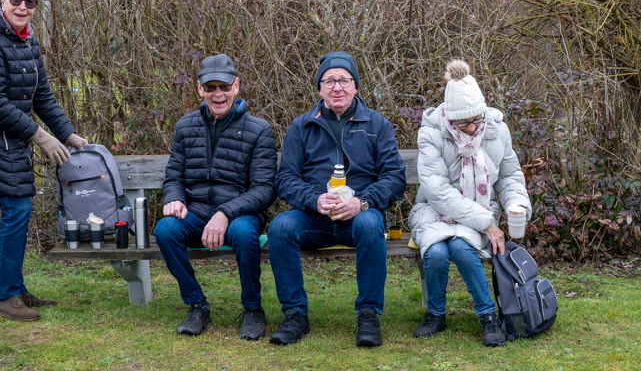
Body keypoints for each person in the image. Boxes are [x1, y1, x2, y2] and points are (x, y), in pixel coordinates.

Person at [0, 0, 87, 321]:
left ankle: (14, 289)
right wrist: (41, 136)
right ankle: (4, 297)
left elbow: (42, 95)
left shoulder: (27, 40)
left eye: (30, 2)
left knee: (19, 211)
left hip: (10, 139)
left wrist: (68, 134)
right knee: (16, 210)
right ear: (3, 0)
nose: (22, 7)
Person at [267, 51, 408, 347]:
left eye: (344, 80)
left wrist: (362, 202)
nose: (337, 87)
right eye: (329, 81)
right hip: (314, 219)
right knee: (280, 227)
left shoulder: (377, 125)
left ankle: (368, 314)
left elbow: (394, 177)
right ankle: (294, 315)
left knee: (370, 224)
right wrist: (314, 199)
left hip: (359, 216)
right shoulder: (302, 126)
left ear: (355, 85)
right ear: (320, 88)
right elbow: (285, 178)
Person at [408, 59, 531, 347]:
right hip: (435, 211)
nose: (473, 127)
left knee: (461, 247)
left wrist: (518, 206)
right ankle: (436, 313)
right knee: (437, 252)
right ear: (450, 119)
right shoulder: (431, 133)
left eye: (477, 119)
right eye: (464, 123)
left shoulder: (496, 130)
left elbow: (509, 176)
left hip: (481, 208)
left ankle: (488, 316)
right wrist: (487, 223)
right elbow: (437, 191)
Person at [154, 54, 277, 340]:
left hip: (240, 213)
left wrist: (225, 213)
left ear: (236, 86)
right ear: (200, 89)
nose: (218, 94)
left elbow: (264, 189)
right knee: (165, 229)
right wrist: (174, 198)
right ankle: (197, 305)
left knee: (244, 234)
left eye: (224, 86)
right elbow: (173, 176)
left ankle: (252, 309)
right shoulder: (185, 127)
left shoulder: (259, 130)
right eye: (211, 87)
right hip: (196, 213)